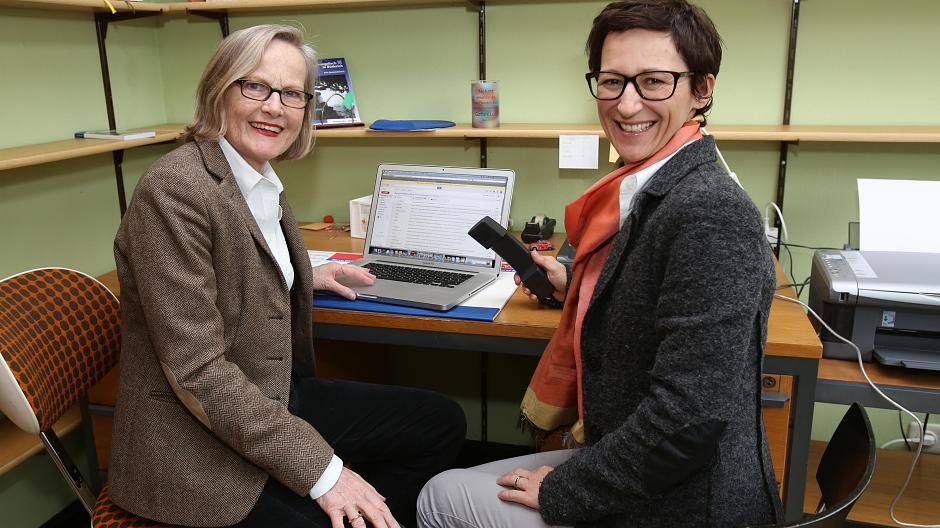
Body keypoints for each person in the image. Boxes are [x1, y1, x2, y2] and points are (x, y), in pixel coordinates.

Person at [417, 1, 781, 526]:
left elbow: (688, 420)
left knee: (438, 498)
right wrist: (576, 286)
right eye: (612, 82)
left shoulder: (710, 212)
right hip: (649, 467)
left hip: (683, 503)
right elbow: (650, 294)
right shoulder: (652, 184)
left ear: (702, 89)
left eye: (654, 82)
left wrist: (564, 490)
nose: (627, 105)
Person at [110, 24, 465, 528]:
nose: (274, 107)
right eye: (255, 86)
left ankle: (374, 514)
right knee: (324, 509)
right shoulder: (174, 191)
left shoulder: (254, 174)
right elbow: (198, 373)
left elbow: (236, 259)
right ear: (218, 90)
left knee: (439, 422)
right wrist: (325, 474)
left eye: (292, 93)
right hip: (191, 438)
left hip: (267, 394)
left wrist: (304, 274)